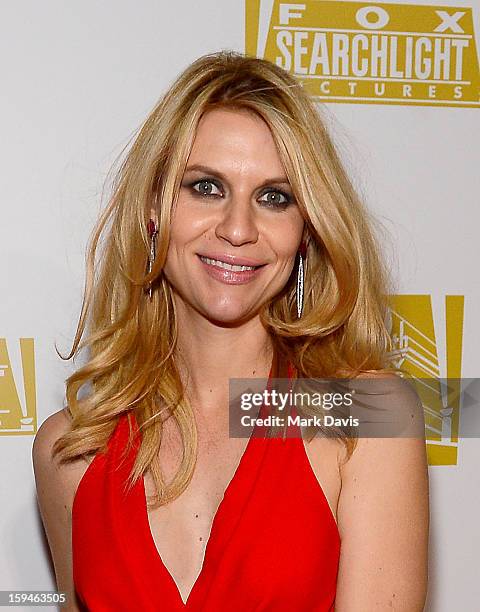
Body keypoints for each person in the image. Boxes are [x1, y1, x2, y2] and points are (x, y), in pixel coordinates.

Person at [32, 50, 429, 611]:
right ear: (153, 207)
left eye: (274, 197)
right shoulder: (70, 451)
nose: (238, 229)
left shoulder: (365, 413)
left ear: (307, 229)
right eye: (205, 187)